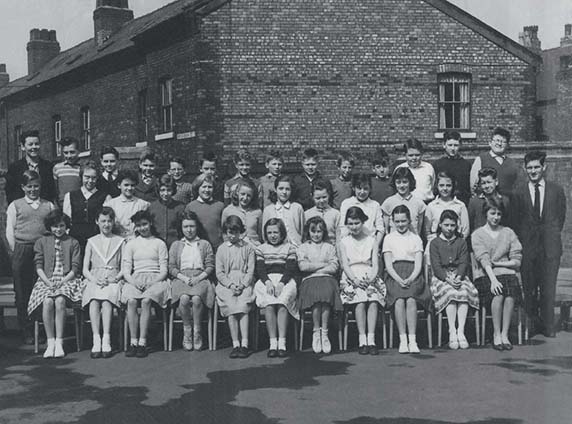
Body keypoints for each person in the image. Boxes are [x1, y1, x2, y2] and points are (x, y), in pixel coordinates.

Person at [513, 151, 566, 338]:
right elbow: (516, 220)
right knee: (529, 288)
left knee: (548, 287)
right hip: (528, 248)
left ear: (544, 167)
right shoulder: (519, 192)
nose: (533, 171)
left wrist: (549, 236)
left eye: (536, 167)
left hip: (550, 248)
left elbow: (560, 218)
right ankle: (531, 325)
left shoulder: (556, 190)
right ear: (525, 169)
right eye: (529, 168)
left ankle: (548, 325)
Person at [5, 170, 56, 343]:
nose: (33, 190)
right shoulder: (15, 205)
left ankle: (41, 327)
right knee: (22, 291)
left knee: (41, 290)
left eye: (36, 186)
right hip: (22, 250)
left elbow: (54, 227)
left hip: (42, 251)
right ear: (23, 187)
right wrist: (16, 250)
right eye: (29, 186)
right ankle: (26, 329)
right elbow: (9, 231)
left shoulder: (48, 205)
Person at [27, 210, 83, 358]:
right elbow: (38, 266)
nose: (58, 229)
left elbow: (75, 268)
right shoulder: (42, 242)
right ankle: (50, 341)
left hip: (68, 280)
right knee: (47, 302)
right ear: (49, 227)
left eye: (61, 226)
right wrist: (48, 282)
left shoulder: (73, 242)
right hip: (46, 280)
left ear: (66, 226)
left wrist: (62, 282)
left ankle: (59, 341)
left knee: (59, 301)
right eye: (54, 226)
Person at [472, 196, 523, 350]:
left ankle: (505, 334)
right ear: (486, 214)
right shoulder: (478, 234)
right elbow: (484, 260)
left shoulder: (508, 232)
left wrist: (500, 263)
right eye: (492, 213)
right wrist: (493, 280)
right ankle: (496, 334)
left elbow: (516, 260)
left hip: (506, 272)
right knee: (499, 292)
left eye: (499, 214)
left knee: (510, 293)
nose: (495, 217)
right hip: (485, 274)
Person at [121, 210, 171, 358]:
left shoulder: (159, 243)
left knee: (146, 301)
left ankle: (143, 342)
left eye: (145, 224)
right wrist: (134, 282)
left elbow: (164, 270)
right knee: (130, 301)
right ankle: (133, 341)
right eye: (139, 225)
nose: (142, 228)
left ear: (150, 223)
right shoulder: (131, 244)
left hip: (156, 279)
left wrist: (152, 282)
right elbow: (126, 270)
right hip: (135, 279)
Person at [383, 205, 432, 354]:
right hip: (394, 275)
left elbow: (418, 263)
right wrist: (398, 279)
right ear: (392, 221)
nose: (400, 224)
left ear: (409, 221)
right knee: (398, 300)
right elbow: (388, 264)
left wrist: (411, 278)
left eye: (403, 221)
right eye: (397, 221)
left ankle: (413, 339)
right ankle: (403, 339)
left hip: (413, 274)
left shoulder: (416, 238)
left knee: (411, 299)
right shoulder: (388, 238)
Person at [429, 210, 479, 350]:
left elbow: (464, 262)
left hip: (459, 275)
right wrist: (447, 279)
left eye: (452, 225)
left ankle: (461, 331)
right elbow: (436, 265)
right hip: (442, 277)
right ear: (440, 225)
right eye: (446, 225)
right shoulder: (435, 243)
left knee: (463, 292)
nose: (449, 228)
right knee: (450, 293)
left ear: (457, 225)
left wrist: (458, 277)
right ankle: (452, 330)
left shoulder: (461, 242)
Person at [339, 206, 386, 355]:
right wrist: (354, 280)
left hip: (369, 274)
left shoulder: (371, 240)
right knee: (359, 300)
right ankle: (362, 339)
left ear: (363, 222)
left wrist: (371, 279)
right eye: (350, 224)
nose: (354, 227)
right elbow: (345, 265)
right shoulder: (344, 242)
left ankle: (371, 339)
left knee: (372, 298)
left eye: (357, 223)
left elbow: (375, 263)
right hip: (352, 276)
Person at [81, 207, 125, 359]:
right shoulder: (91, 241)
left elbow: (124, 267)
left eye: (109, 221)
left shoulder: (120, 241)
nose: (106, 224)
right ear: (97, 222)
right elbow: (85, 269)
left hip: (113, 280)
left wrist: (115, 278)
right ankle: (96, 339)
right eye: (103, 221)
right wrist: (94, 279)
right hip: (95, 279)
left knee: (106, 301)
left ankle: (106, 338)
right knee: (94, 301)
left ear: (113, 222)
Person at [169, 211, 215, 351]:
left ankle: (197, 331)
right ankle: (187, 331)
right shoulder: (176, 245)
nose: (189, 230)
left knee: (196, 299)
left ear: (197, 227)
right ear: (181, 228)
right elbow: (171, 267)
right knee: (183, 298)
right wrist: (184, 278)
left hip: (200, 277)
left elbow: (210, 266)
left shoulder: (204, 244)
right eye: (186, 227)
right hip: (181, 278)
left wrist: (198, 278)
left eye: (192, 226)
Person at [254, 218, 300, 357]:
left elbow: (290, 268)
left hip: (285, 280)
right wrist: (268, 282)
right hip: (266, 280)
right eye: (269, 232)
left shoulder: (290, 248)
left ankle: (282, 343)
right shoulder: (260, 249)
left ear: (282, 233)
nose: (273, 235)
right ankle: (273, 343)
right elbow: (260, 269)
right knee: (269, 304)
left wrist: (281, 283)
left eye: (276, 232)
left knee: (281, 303)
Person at [297, 216, 342, 354]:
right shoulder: (303, 247)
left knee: (327, 294)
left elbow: (334, 267)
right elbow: (303, 267)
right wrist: (323, 265)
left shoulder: (329, 247)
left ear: (324, 232)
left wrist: (315, 268)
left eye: (319, 231)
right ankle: (316, 332)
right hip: (309, 280)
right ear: (308, 232)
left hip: (327, 279)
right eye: (313, 231)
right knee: (317, 297)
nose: (316, 234)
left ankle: (325, 333)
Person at [215, 215, 256, 359]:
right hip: (227, 283)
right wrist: (231, 285)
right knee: (231, 307)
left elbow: (251, 270)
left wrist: (243, 285)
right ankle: (235, 344)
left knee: (243, 306)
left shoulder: (248, 248)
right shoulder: (221, 249)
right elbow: (219, 273)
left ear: (241, 232)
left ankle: (244, 344)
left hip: (244, 282)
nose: (232, 236)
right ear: (225, 232)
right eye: (229, 232)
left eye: (235, 232)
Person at [63, 161, 108, 252]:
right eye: (87, 177)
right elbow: (67, 221)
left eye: (94, 178)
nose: (90, 181)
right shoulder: (70, 196)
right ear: (81, 176)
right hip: (75, 239)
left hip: (96, 238)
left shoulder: (105, 197)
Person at [6, 130, 56, 204]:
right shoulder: (14, 168)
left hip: (43, 209)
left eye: (36, 144)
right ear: (23, 147)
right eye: (30, 144)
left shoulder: (48, 166)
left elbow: (51, 191)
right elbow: (10, 192)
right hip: (23, 210)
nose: (34, 147)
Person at [470, 127, 519, 197]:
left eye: (503, 142)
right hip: (487, 204)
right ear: (490, 143)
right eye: (497, 140)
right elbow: (473, 187)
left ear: (507, 145)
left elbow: (518, 187)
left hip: (508, 204)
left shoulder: (512, 163)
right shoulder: (481, 159)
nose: (499, 144)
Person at [424, 171, 469, 242]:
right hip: (436, 243)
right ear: (437, 186)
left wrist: (457, 244)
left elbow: (465, 230)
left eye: (448, 185)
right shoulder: (431, 206)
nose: (445, 188)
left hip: (455, 243)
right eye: (441, 185)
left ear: (453, 186)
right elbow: (427, 230)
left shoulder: (460, 205)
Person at [339, 173, 384, 244]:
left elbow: (380, 229)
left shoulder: (375, 205)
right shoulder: (346, 203)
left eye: (365, 188)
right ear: (353, 188)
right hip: (351, 243)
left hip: (370, 243)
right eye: (359, 188)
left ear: (370, 189)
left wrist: (375, 245)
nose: (362, 192)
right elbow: (343, 226)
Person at [103, 170, 149, 239]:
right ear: (119, 185)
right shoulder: (110, 204)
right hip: (116, 241)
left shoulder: (143, 205)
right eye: (126, 185)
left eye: (132, 185)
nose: (129, 188)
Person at [185, 174, 225, 250]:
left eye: (210, 187)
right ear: (198, 188)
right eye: (204, 187)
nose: (207, 190)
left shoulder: (220, 206)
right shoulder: (190, 206)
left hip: (218, 247)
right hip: (197, 247)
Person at [262, 175, 305, 247]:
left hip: (295, 247)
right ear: (275, 189)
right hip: (274, 250)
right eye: (281, 189)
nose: (284, 192)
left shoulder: (297, 208)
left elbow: (302, 230)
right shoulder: (268, 210)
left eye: (287, 189)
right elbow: (264, 234)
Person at [468, 167, 512, 236]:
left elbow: (507, 223)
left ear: (496, 182)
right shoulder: (474, 202)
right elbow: (471, 224)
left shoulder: (504, 200)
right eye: (483, 183)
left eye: (489, 182)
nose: (487, 186)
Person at [381, 167, 426, 235]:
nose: (401, 185)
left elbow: (419, 229)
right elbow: (386, 230)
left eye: (405, 182)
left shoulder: (419, 203)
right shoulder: (388, 203)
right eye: (398, 182)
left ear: (410, 182)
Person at [432, 131, 471, 206]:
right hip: (442, 202)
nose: (453, 148)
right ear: (444, 145)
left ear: (460, 145)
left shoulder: (466, 164)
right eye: (450, 145)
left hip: (461, 202)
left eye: (456, 145)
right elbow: (435, 187)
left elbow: (468, 188)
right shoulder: (437, 164)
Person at [148, 174, 185, 247]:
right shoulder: (152, 207)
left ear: (173, 190)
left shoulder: (180, 207)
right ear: (158, 190)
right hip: (156, 245)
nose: (165, 193)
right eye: (162, 190)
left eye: (169, 190)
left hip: (175, 244)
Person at [221, 180, 263, 246]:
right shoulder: (228, 211)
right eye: (242, 194)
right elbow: (224, 234)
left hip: (254, 247)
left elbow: (260, 234)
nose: (245, 198)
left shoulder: (257, 212)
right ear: (237, 193)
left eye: (248, 195)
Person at [394, 138, 435, 203]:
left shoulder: (428, 168)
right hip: (405, 204)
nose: (414, 158)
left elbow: (433, 186)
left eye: (417, 155)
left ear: (421, 154)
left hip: (426, 203)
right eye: (410, 155)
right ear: (405, 155)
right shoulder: (400, 168)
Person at [304, 180, 340, 244]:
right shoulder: (307, 214)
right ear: (312, 197)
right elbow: (305, 237)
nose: (321, 201)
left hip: (331, 248)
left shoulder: (336, 214)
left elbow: (339, 237)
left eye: (324, 197)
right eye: (318, 198)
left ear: (329, 195)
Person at [52, 137, 82, 207]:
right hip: (62, 206)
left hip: (79, 205)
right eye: (66, 153)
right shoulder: (57, 168)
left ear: (78, 151)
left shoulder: (82, 167)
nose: (69, 156)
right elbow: (55, 191)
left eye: (72, 152)